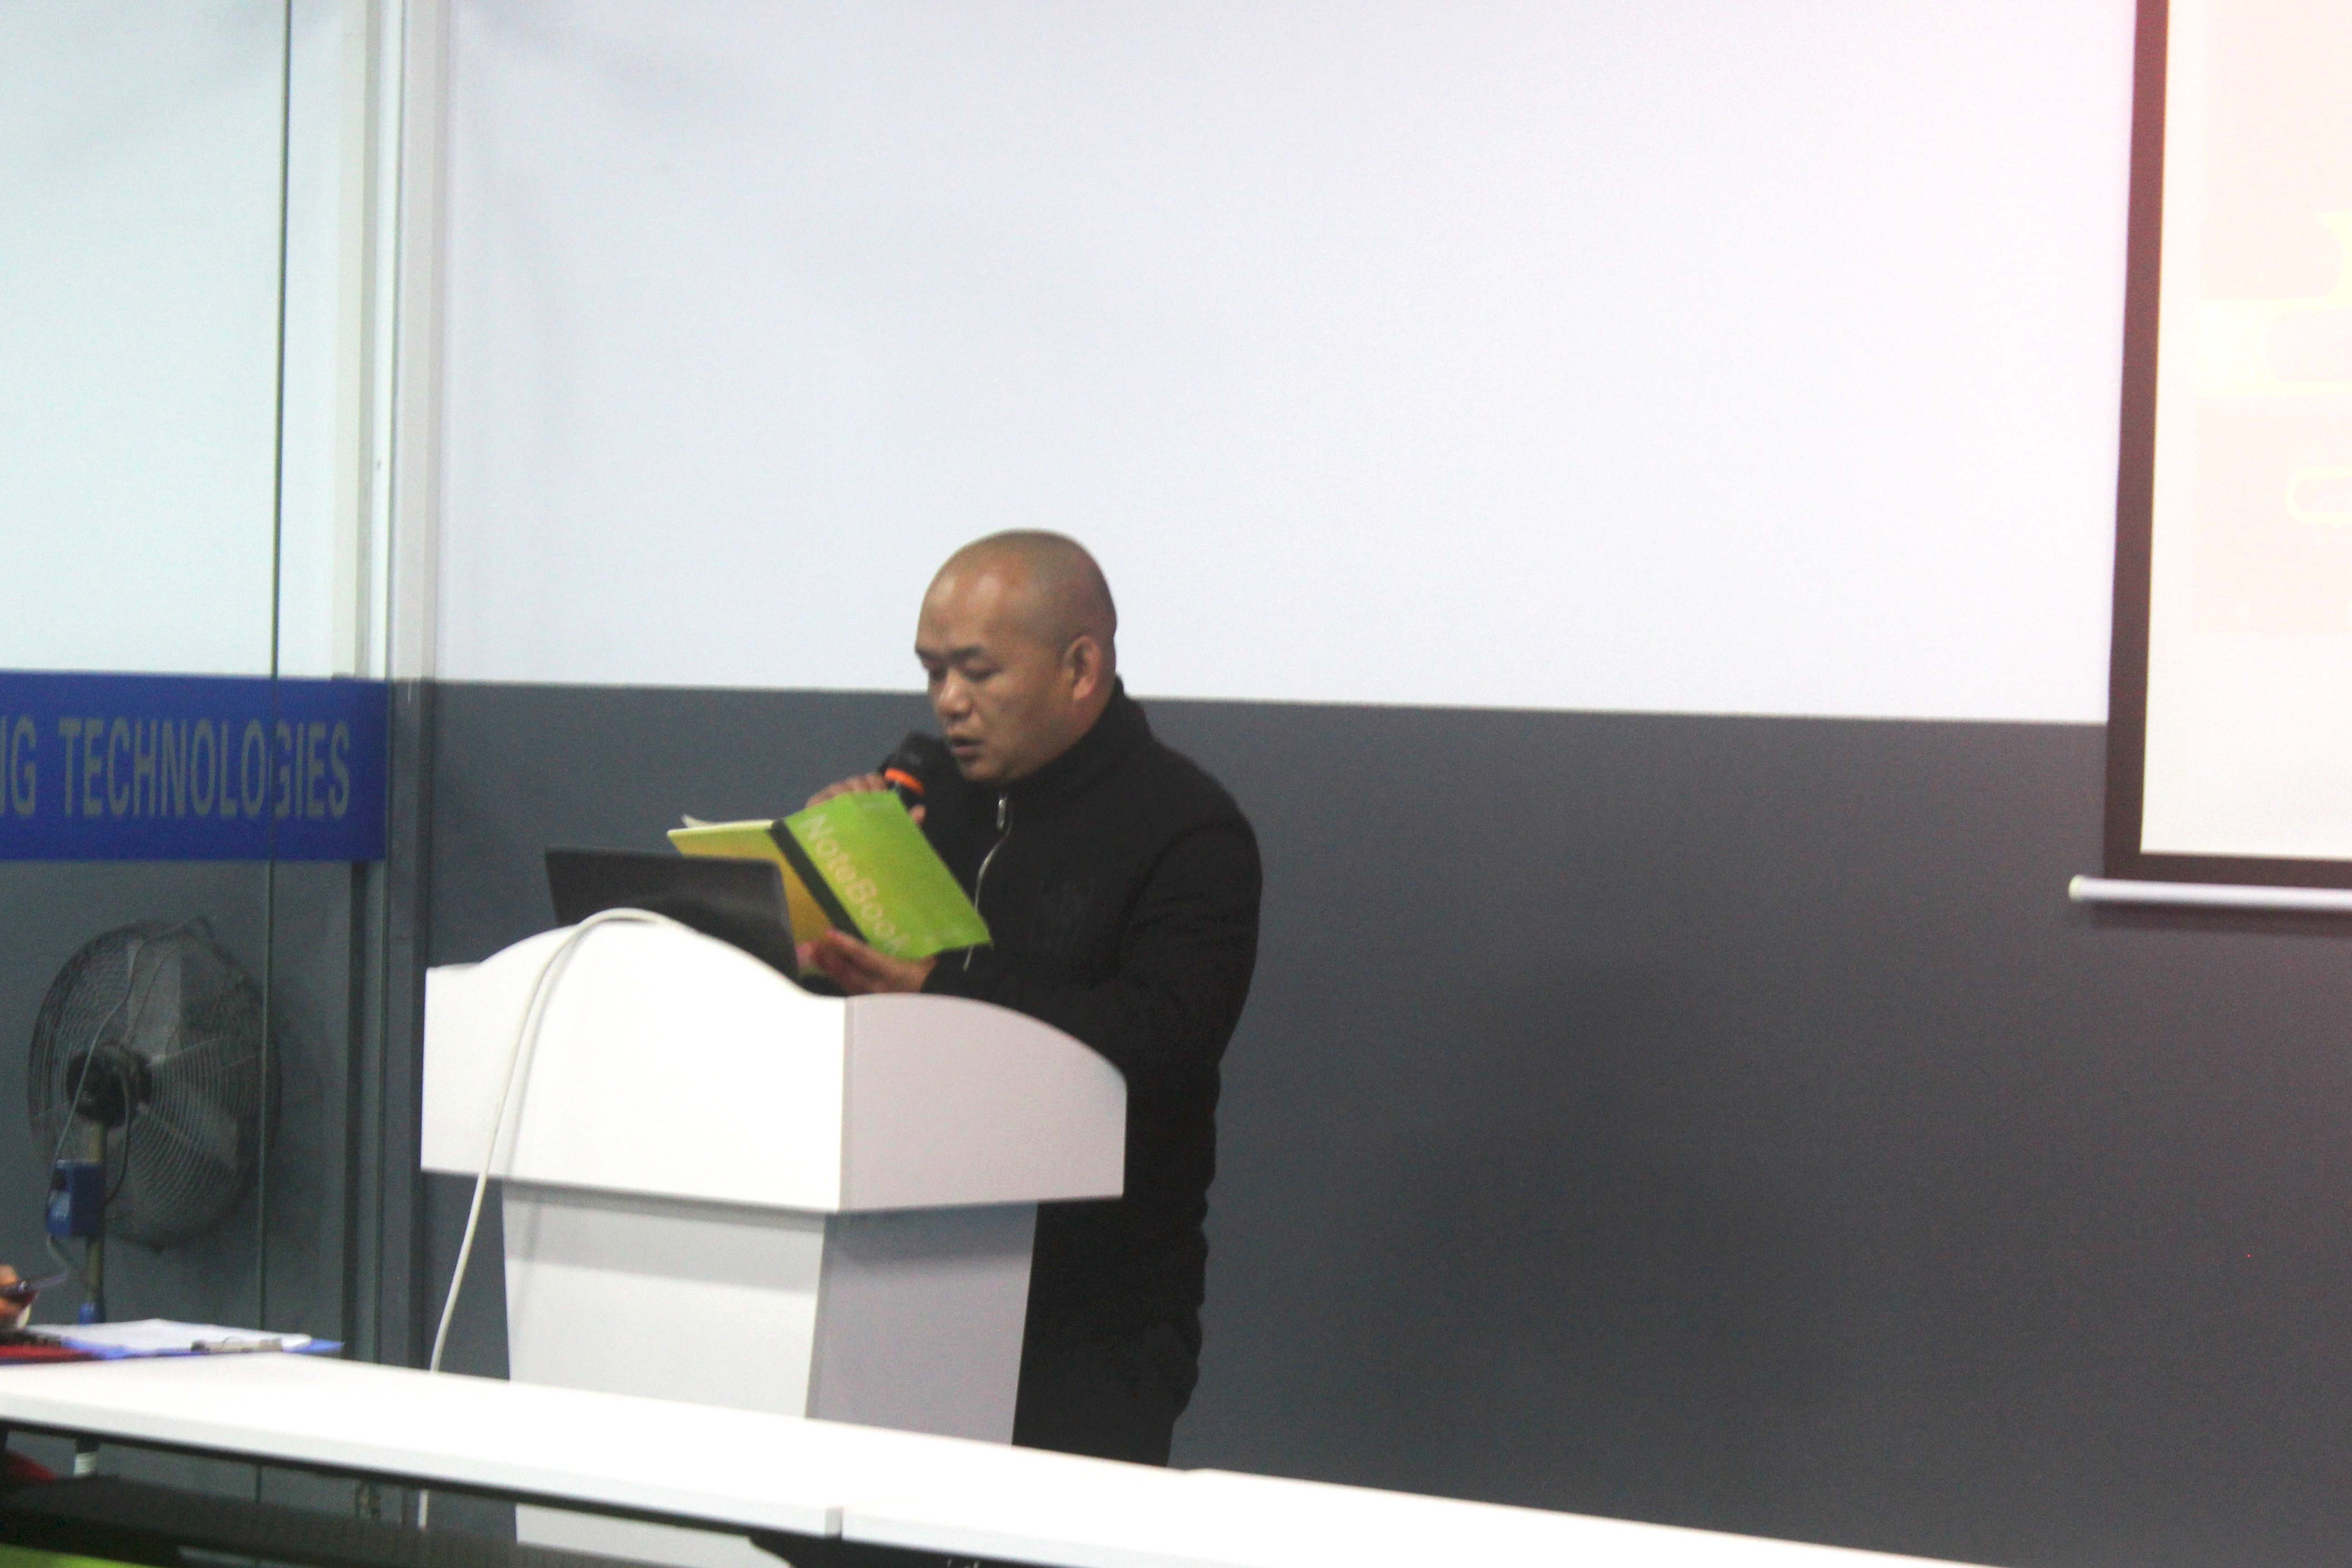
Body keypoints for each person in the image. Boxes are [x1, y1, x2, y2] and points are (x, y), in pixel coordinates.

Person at [800, 531, 1262, 1467]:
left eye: (977, 672)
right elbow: (853, 1012)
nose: (948, 702)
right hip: (895, 1285)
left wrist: (945, 989)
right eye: (932, 672)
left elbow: (1164, 1039)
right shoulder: (924, 808)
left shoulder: (1189, 831)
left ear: (1080, 668)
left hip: (1091, 1322)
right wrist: (825, 886)